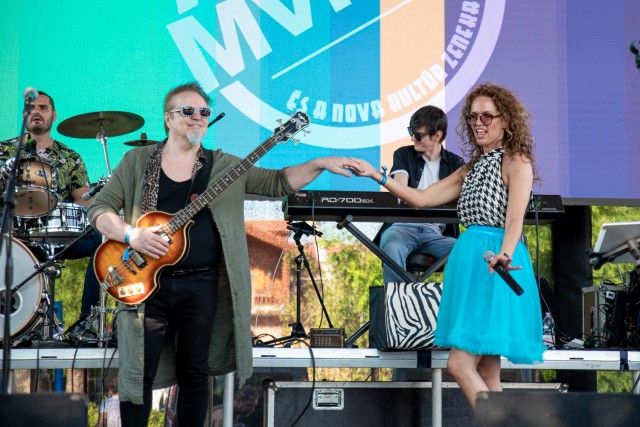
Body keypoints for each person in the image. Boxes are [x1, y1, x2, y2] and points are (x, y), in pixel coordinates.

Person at [87, 81, 359, 426]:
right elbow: (99, 208)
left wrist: (320, 162)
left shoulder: (223, 166)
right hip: (146, 285)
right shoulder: (137, 161)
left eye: (204, 112)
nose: (197, 117)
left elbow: (277, 182)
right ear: (168, 119)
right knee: (137, 374)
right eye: (188, 111)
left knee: (195, 375)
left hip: (201, 284)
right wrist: (132, 235)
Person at [349, 82, 546, 410]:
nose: (478, 123)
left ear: (506, 120)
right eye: (473, 117)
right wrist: (376, 176)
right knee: (487, 370)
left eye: (487, 116)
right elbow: (421, 198)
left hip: (494, 263)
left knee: (458, 364)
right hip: (470, 259)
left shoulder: (516, 160)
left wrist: (506, 253)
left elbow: (515, 219)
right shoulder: (471, 168)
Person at [0, 91, 103, 322]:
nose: (36, 112)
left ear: (54, 115)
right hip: (10, 229)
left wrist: (93, 200)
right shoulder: (4, 150)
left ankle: (88, 319)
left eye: (43, 108)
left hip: (56, 231)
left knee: (103, 240)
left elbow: (83, 198)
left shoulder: (70, 157)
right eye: (31, 108)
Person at [378, 105, 464, 284]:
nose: (412, 138)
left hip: (435, 233)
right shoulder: (403, 154)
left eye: (418, 135)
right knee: (393, 245)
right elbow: (400, 188)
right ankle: (398, 300)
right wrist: (428, 197)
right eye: (411, 132)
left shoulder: (456, 163)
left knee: (467, 251)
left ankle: (453, 299)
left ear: (437, 136)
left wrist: (421, 196)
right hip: (402, 227)